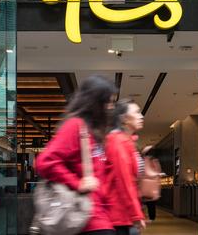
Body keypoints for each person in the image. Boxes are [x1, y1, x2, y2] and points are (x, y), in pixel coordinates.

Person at [36, 75, 117, 235]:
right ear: (95, 102)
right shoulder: (76, 126)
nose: (110, 107)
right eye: (108, 102)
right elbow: (45, 162)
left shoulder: (93, 132)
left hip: (97, 217)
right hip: (84, 218)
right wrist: (77, 183)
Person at [105, 99, 146, 235]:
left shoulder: (127, 141)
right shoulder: (118, 142)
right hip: (118, 214)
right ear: (124, 119)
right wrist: (136, 214)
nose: (141, 116)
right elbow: (124, 181)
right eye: (137, 112)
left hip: (124, 213)